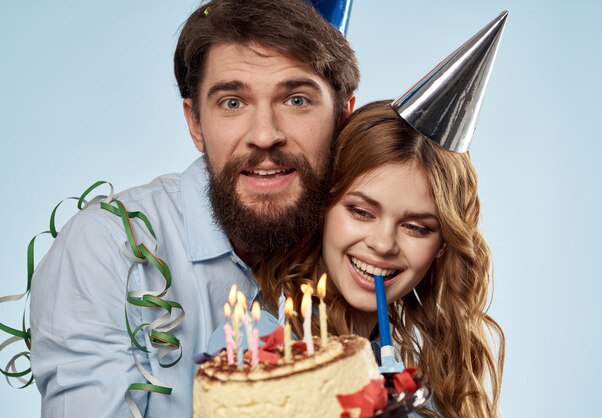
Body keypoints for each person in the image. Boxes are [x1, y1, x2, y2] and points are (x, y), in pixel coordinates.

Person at [27, 0, 358, 417]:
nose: (265, 135)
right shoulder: (106, 251)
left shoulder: (372, 250)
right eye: (233, 102)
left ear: (344, 117)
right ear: (196, 123)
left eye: (296, 100)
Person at [256, 100, 505, 418]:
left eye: (416, 227)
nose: (383, 244)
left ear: (443, 244)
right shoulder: (259, 346)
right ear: (323, 206)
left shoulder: (428, 399)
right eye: (361, 212)